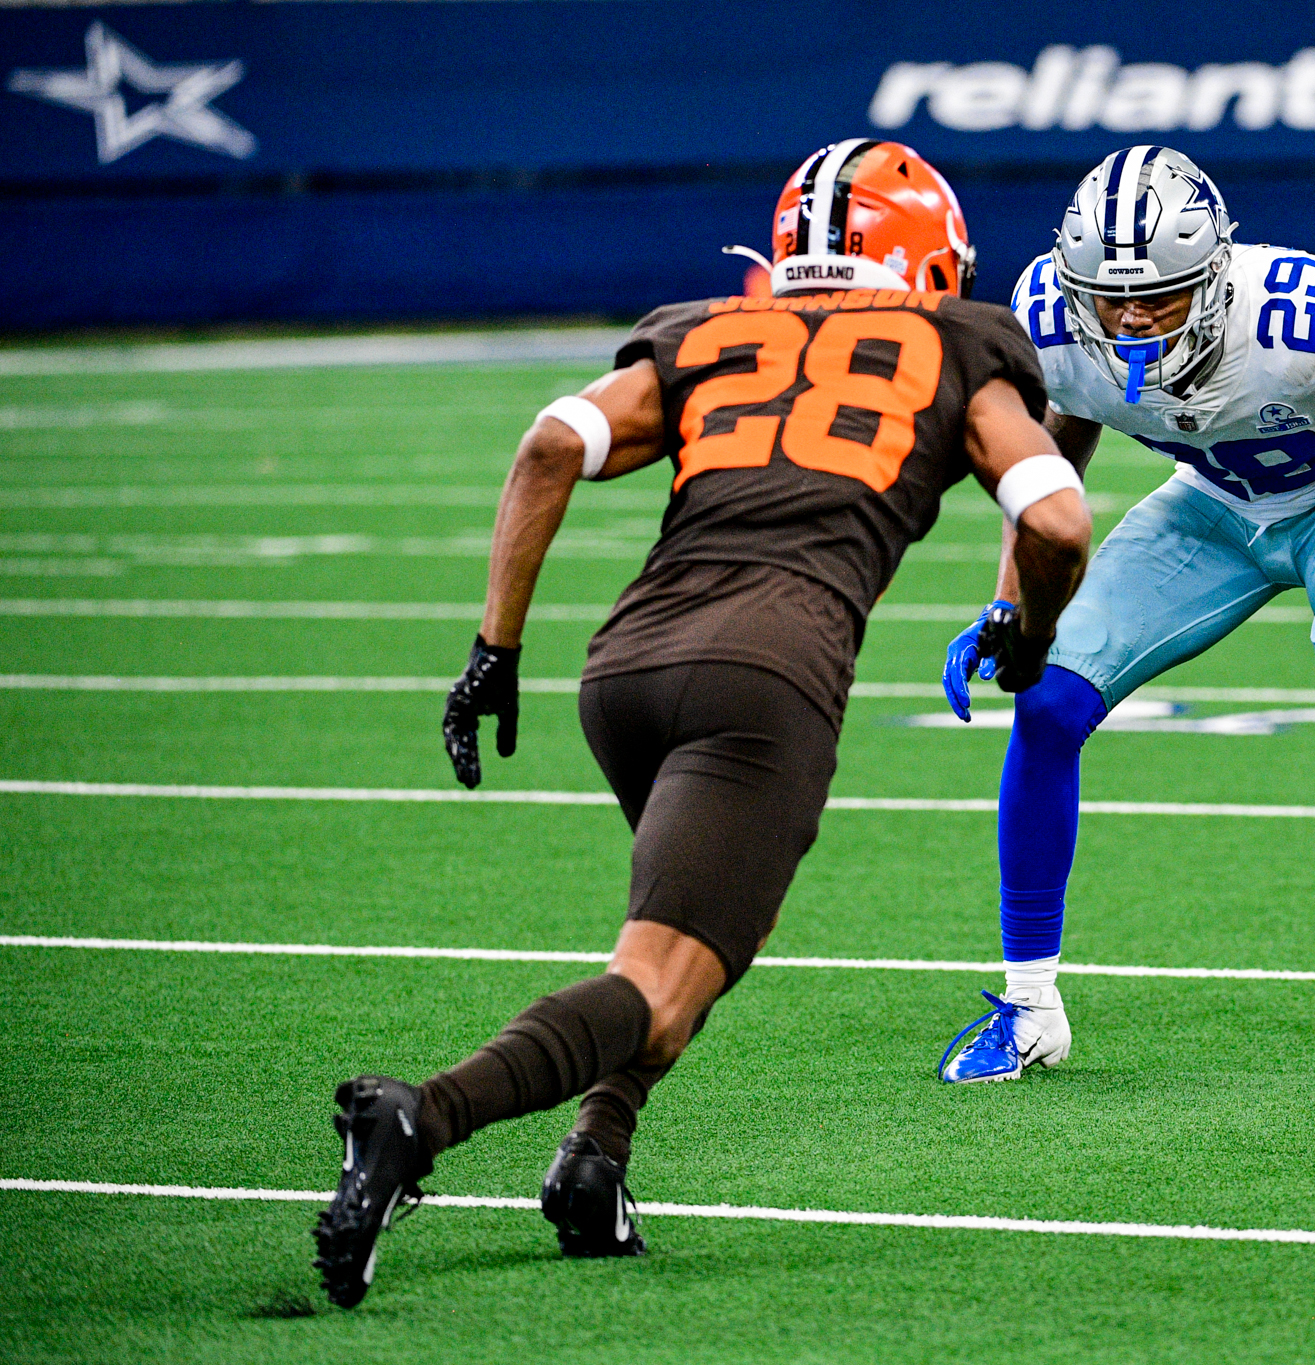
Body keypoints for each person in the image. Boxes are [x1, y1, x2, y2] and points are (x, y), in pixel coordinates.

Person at [312, 138, 1094, 1308]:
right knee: (666, 979)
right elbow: (1058, 518)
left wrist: (494, 649)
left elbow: (551, 445)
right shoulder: (961, 342)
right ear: (927, 253)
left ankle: (596, 1160)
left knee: (673, 947)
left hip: (621, 670)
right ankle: (421, 1119)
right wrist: (1025, 636)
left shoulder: (705, 330)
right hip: (766, 679)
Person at [935, 146, 1315, 1087]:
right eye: (1107, 296)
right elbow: (1053, 461)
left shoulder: (1305, 315)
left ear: (1213, 276)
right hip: (1213, 508)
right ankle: (1029, 1006)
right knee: (1045, 703)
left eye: (1160, 296)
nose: (1128, 318)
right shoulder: (1052, 317)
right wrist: (1010, 603)